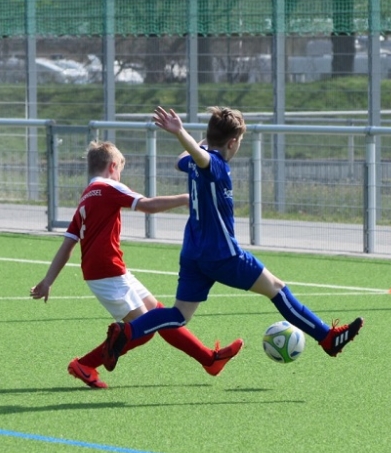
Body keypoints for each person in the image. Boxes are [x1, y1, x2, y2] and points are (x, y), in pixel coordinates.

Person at [101, 106, 363, 371]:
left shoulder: (196, 162)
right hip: (222, 254)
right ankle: (327, 338)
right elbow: (200, 156)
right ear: (233, 142)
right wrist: (180, 132)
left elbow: (182, 159)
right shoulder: (215, 165)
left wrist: (203, 138)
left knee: (179, 315)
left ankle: (127, 332)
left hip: (193, 253)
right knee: (277, 289)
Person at [31, 140, 243, 389]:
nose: (120, 174)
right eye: (120, 168)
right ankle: (84, 364)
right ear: (112, 166)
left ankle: (210, 360)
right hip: (106, 273)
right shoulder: (109, 187)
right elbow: (147, 206)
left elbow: (68, 244)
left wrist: (48, 281)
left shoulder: (87, 196)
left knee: (158, 314)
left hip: (110, 270)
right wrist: (187, 198)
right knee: (145, 329)